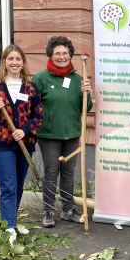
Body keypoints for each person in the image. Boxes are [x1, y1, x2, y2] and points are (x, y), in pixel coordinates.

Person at [0, 44, 43, 243]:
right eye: (10, 59)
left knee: (19, 186)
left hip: (25, 144)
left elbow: (38, 116)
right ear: (4, 62)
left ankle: (10, 221)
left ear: (23, 62)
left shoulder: (31, 88)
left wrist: (25, 130)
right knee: (9, 186)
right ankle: (9, 228)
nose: (14, 62)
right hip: (2, 143)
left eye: (18, 59)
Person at [33, 36, 92, 227]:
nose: (61, 56)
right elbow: (32, 107)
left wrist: (87, 92)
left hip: (72, 134)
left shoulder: (77, 79)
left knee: (68, 173)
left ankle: (67, 210)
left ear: (70, 55)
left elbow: (86, 107)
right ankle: (48, 212)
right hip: (49, 135)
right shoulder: (40, 78)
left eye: (65, 53)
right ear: (50, 55)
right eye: (57, 53)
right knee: (51, 172)